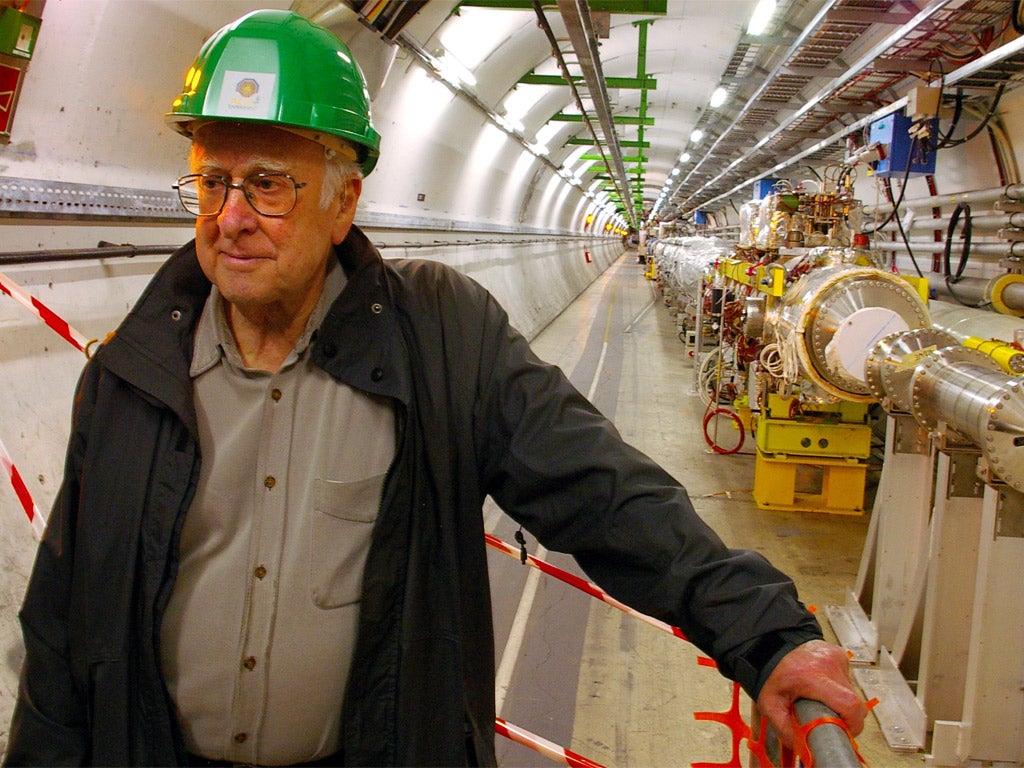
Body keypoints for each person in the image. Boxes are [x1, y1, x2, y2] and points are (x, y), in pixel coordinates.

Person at [4, 9, 866, 767]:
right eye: (212, 178)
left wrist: (765, 636)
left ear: (344, 203)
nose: (230, 215)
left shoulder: (440, 338)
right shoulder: (130, 373)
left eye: (267, 183)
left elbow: (601, 490)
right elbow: (61, 630)